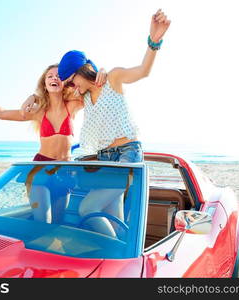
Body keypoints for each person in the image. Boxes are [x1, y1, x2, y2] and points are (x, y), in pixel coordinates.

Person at [57, 9, 171, 237]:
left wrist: (154, 41)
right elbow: (54, 96)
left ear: (81, 71)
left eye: (72, 81)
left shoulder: (113, 78)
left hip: (128, 152)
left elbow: (143, 71)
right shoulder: (84, 97)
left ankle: (118, 252)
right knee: (115, 216)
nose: (72, 87)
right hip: (105, 157)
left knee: (87, 208)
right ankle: (120, 259)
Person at [0, 64, 106, 222]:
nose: (54, 78)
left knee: (58, 222)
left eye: (58, 75)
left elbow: (95, 89)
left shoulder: (73, 105)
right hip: (40, 169)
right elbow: (2, 114)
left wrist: (101, 72)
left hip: (65, 171)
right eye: (49, 76)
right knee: (43, 220)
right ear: (44, 84)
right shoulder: (38, 112)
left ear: (66, 81)